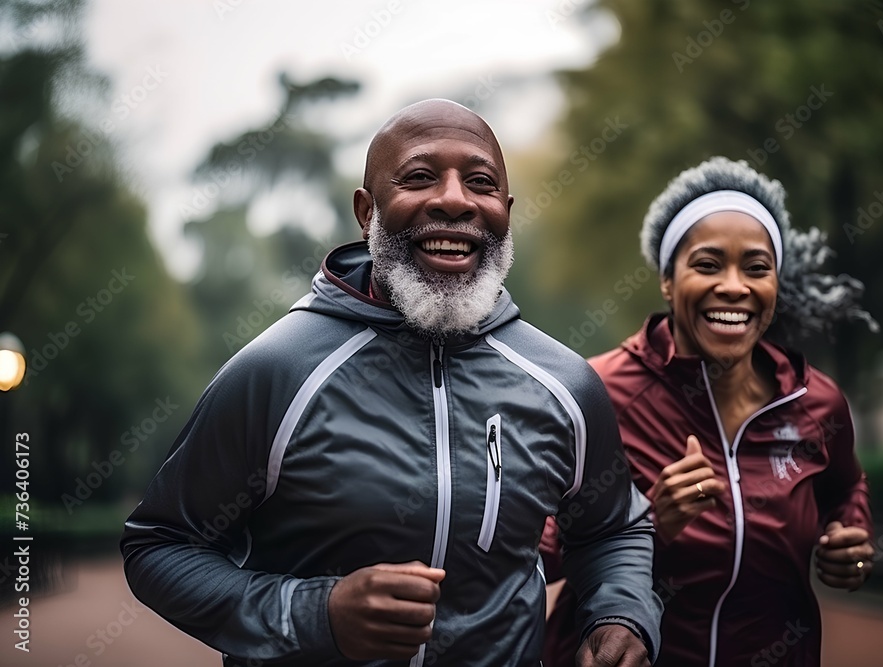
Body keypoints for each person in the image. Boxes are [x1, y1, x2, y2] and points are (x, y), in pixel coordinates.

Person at [121, 99, 661, 667]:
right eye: (420, 177)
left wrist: (620, 615)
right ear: (366, 210)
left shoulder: (565, 384)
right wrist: (316, 613)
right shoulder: (277, 372)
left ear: (505, 210)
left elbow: (612, 529)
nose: (454, 200)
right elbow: (159, 545)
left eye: (479, 183)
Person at [542, 156, 876, 666]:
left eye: (757, 268)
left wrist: (847, 536)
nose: (735, 286)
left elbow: (846, 486)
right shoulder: (597, 393)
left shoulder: (815, 401)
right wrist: (646, 527)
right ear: (668, 282)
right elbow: (531, 554)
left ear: (775, 286)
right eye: (707, 263)